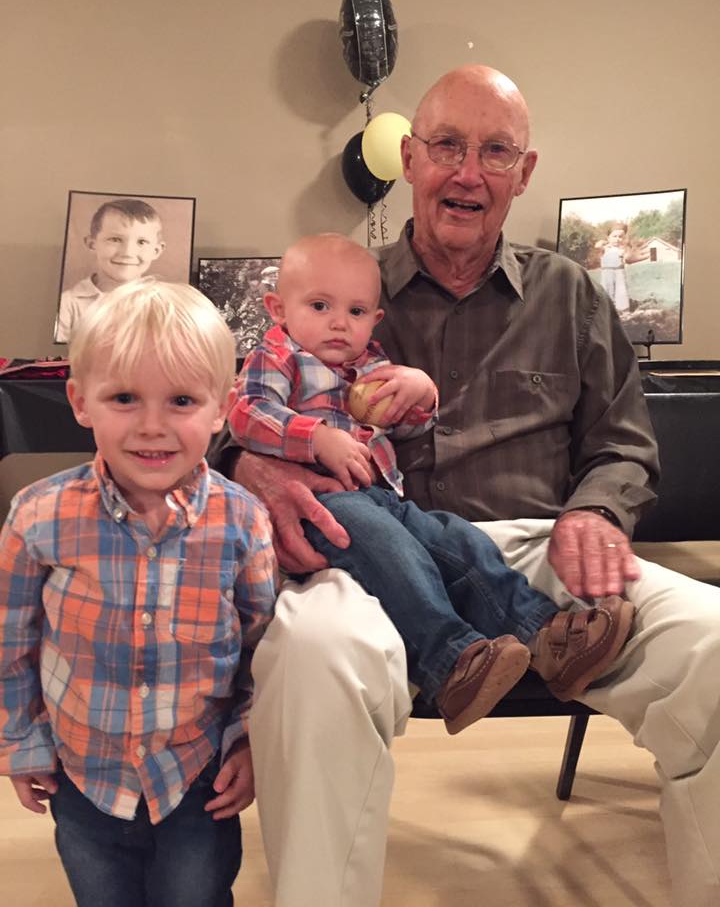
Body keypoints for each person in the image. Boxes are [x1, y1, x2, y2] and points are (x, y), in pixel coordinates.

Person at [216, 65, 720, 907]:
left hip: (542, 550)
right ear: (410, 159)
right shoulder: (339, 286)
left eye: (496, 152)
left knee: (713, 642)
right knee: (309, 662)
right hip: (363, 553)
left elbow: (623, 444)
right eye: (448, 145)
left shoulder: (570, 295)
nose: (468, 172)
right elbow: (229, 418)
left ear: (524, 173)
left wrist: (597, 510)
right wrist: (251, 467)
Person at [229, 232, 635, 734]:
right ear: (277, 309)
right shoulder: (278, 355)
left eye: (356, 312)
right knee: (396, 554)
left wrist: (421, 395)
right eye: (319, 306)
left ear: (375, 319)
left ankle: (546, 634)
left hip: (383, 496)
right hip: (327, 501)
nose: (339, 322)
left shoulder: (370, 364)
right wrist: (315, 439)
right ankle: (450, 660)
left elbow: (404, 431)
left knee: (457, 541)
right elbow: (246, 413)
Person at [0, 277, 277, 907]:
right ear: (80, 401)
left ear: (221, 407)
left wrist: (249, 739)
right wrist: (20, 741)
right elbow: (9, 642)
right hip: (82, 776)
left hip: (197, 776)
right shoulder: (37, 516)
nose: (153, 427)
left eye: (181, 400)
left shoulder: (242, 522)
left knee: (196, 895)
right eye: (124, 398)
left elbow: (262, 650)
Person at [55, 198, 166, 342]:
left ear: (156, 251)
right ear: (92, 244)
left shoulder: (165, 305)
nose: (128, 252)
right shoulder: (68, 304)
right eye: (115, 239)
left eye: (141, 242)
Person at [594, 221, 650, 312]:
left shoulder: (623, 249)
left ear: (624, 238)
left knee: (621, 291)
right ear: (608, 237)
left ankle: (623, 309)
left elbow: (628, 258)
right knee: (607, 290)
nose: (617, 239)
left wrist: (631, 256)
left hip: (619, 272)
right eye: (614, 236)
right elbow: (597, 246)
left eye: (620, 237)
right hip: (607, 273)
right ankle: (606, 309)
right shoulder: (605, 248)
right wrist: (603, 243)